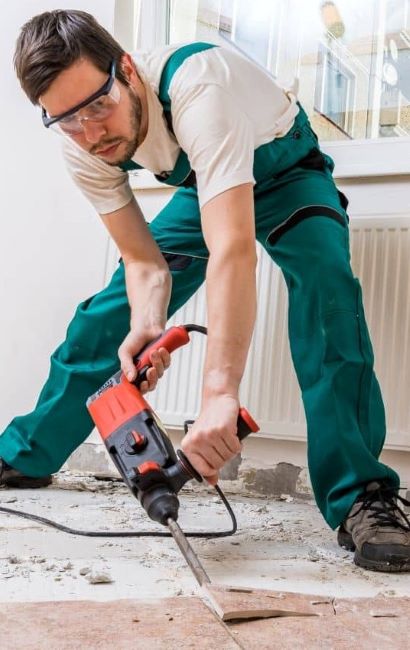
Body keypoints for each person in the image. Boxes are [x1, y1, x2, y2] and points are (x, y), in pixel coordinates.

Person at [0, 9, 409, 573]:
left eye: (100, 105)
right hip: (206, 183)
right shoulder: (80, 144)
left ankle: (364, 497)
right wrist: (147, 322)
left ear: (126, 69)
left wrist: (219, 392)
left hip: (285, 171)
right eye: (68, 120)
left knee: (328, 295)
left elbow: (232, 249)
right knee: (106, 315)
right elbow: (145, 263)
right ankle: (25, 454)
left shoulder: (199, 86)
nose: (91, 133)